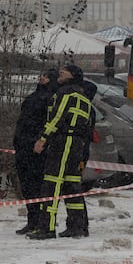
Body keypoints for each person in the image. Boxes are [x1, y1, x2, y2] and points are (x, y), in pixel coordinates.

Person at [30, 63, 94, 239]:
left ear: (72, 76)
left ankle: (46, 228)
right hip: (76, 145)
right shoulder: (84, 98)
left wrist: (43, 138)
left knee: (51, 183)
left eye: (64, 71)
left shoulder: (66, 93)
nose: (60, 72)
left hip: (63, 142)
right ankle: (77, 226)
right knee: (71, 184)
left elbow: (58, 117)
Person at [12, 68, 58, 235]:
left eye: (46, 76)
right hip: (23, 146)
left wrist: (40, 140)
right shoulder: (34, 96)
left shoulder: (52, 98)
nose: (42, 78)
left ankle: (41, 222)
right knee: (27, 187)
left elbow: (49, 123)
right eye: (42, 75)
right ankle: (32, 221)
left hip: (37, 148)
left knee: (38, 186)